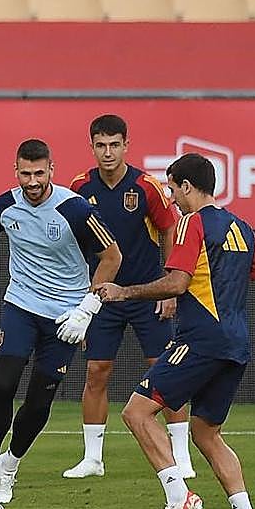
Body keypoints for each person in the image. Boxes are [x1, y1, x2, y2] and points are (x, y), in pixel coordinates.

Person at [0, 139, 123, 506]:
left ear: (51, 170)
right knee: (3, 383)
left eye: (39, 173)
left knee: (39, 399)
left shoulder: (73, 209)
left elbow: (112, 256)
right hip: (21, 305)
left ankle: (9, 468)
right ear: (16, 171)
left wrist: (87, 308)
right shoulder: (4, 205)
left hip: (66, 316)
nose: (32, 181)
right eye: (25, 173)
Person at [95, 153, 255, 509]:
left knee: (137, 412)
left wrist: (123, 292)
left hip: (200, 341)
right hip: (236, 346)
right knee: (205, 431)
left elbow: (177, 283)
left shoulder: (189, 224)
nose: (172, 197)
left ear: (188, 187)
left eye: (174, 188)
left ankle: (179, 496)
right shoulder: (242, 228)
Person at [65, 114, 192, 479]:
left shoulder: (147, 186)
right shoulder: (79, 186)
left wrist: (169, 286)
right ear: (91, 146)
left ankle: (181, 455)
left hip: (147, 293)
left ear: (126, 145)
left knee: (165, 372)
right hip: (103, 296)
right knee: (95, 373)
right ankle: (93, 458)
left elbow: (170, 230)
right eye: (101, 145)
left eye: (114, 145)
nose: (108, 152)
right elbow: (75, 240)